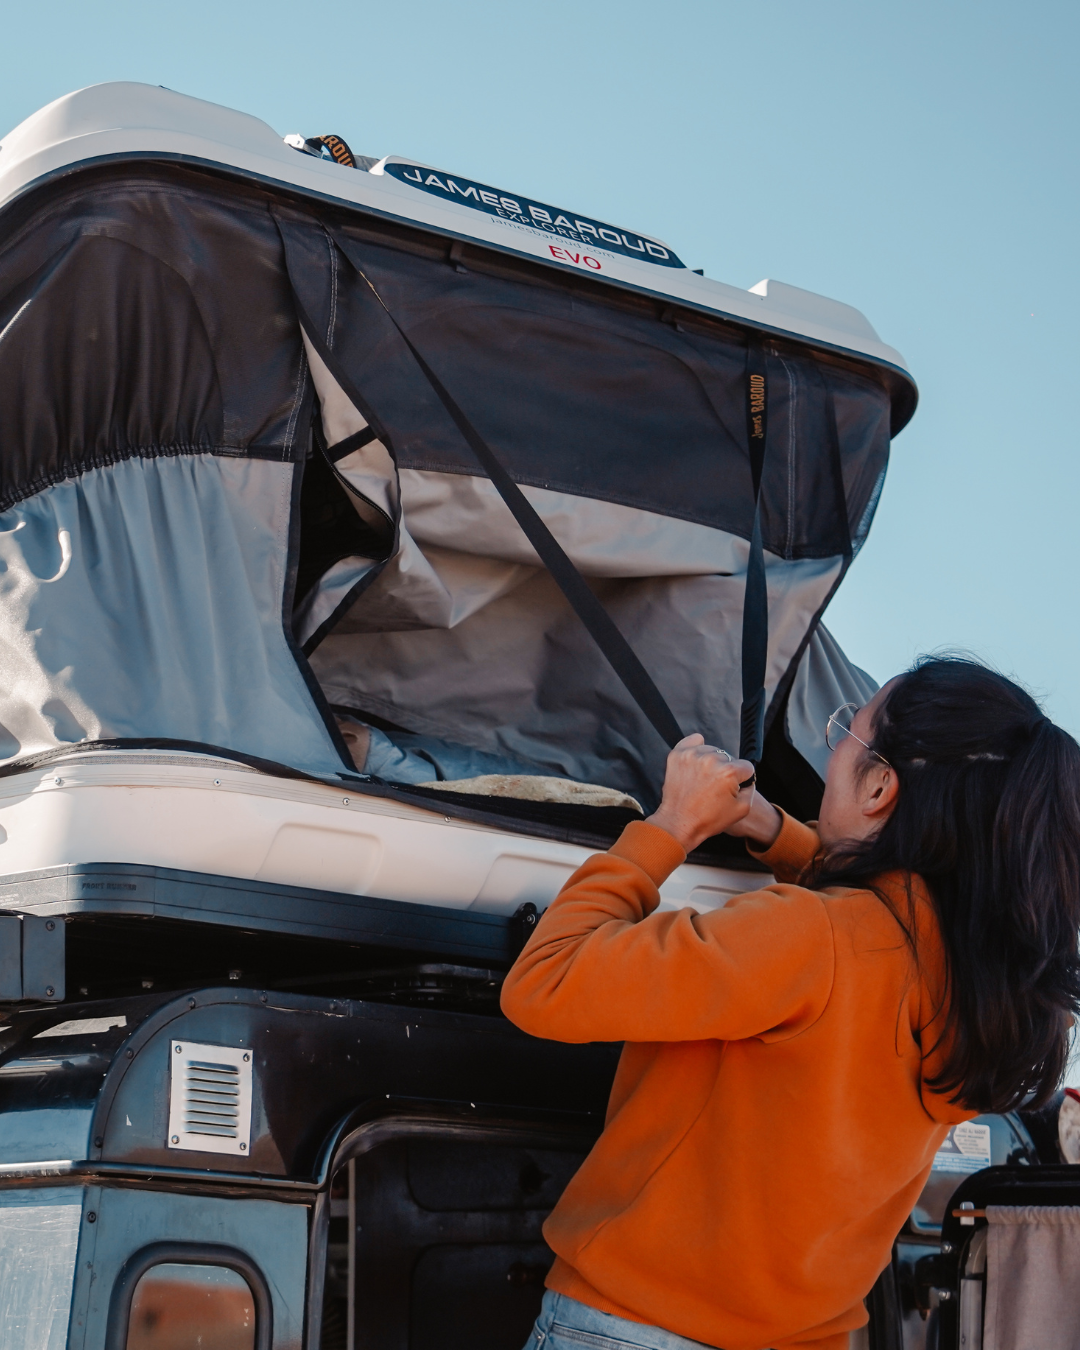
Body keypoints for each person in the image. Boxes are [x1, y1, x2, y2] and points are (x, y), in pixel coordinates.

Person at [500, 656, 1080, 1350]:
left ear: (880, 788)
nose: (833, 749)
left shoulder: (812, 936)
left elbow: (546, 981)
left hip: (636, 1328)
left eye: (847, 734)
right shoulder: (986, 984)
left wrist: (671, 827)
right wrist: (775, 829)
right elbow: (874, 926)